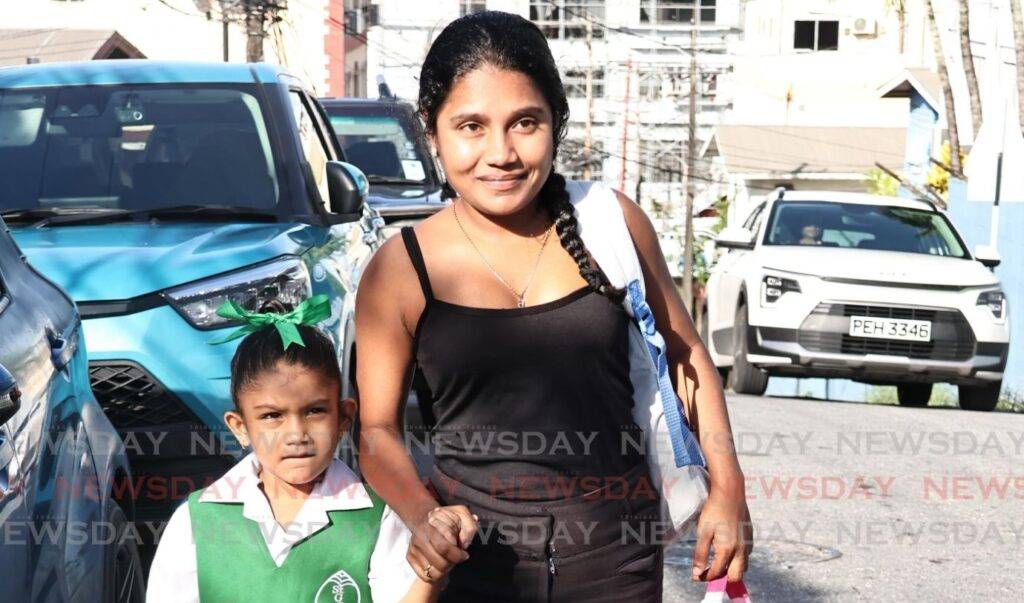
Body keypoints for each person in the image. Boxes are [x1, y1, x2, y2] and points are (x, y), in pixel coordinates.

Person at [355, 11, 751, 602]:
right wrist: (422, 516)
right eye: (471, 126)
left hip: (618, 558)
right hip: (472, 566)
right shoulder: (400, 268)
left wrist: (728, 490)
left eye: (524, 123)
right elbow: (377, 431)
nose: (501, 152)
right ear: (433, 135)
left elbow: (686, 354)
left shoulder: (613, 224)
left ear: (556, 124)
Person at [146, 296, 476, 603]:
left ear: (345, 417)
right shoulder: (197, 519)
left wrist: (432, 569)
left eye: (314, 411)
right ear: (240, 427)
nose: (296, 434)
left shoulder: (377, 516)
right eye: (272, 416)